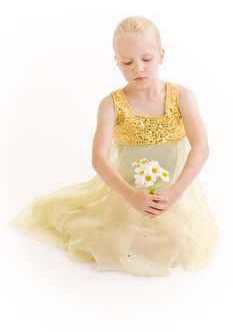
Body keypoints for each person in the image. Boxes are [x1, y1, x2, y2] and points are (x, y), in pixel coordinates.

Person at [10, 15, 219, 277]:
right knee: (111, 252)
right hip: (125, 190)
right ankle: (81, 221)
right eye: (127, 62)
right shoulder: (111, 104)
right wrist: (131, 195)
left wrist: (175, 192)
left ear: (161, 55)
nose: (138, 68)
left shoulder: (183, 97)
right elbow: (99, 157)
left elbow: (201, 147)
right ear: (117, 62)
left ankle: (150, 225)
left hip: (167, 192)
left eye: (146, 59)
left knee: (177, 247)